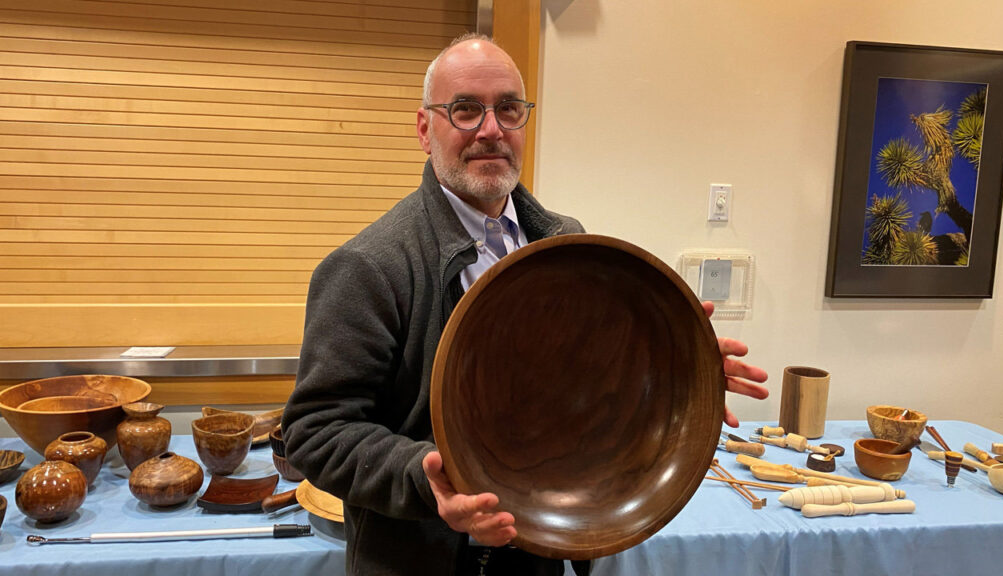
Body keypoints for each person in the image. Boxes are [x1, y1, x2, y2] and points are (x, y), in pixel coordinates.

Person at [282, 33, 769, 576]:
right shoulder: (369, 267)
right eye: (465, 109)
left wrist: (677, 371)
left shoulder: (566, 245)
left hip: (544, 550)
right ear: (425, 129)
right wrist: (425, 476)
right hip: (424, 560)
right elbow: (316, 430)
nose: (490, 130)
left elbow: (584, 385)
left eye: (508, 109)